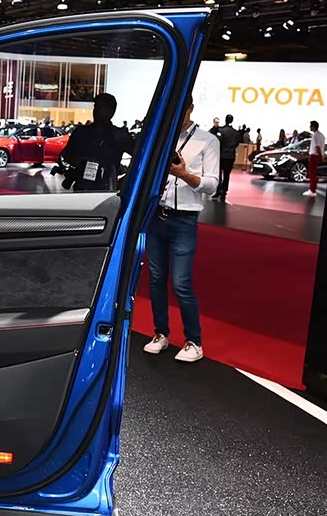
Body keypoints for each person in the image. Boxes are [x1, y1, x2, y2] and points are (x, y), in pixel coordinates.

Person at [143, 96, 220, 363]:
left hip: (185, 219)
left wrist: (184, 174)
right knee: (155, 279)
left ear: (190, 108)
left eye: (180, 108)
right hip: (157, 215)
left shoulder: (208, 140)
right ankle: (160, 333)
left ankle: (194, 342)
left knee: (181, 282)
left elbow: (212, 185)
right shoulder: (162, 138)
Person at [60, 93, 134, 192]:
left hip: (106, 191)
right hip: (81, 189)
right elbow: (65, 155)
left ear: (111, 111)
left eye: (101, 107)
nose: (96, 111)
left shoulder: (119, 136)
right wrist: (77, 161)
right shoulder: (81, 132)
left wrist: (123, 181)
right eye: (95, 107)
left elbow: (142, 160)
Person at [212, 114, 238, 201]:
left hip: (221, 156)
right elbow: (237, 143)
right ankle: (224, 192)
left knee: (218, 174)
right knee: (227, 175)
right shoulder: (235, 132)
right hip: (231, 156)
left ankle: (218, 190)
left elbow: (218, 142)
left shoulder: (221, 131)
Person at [303, 120, 326, 197]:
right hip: (318, 156)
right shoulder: (321, 135)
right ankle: (313, 189)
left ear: (313, 127)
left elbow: (317, 146)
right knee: (314, 173)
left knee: (312, 173)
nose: (309, 127)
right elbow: (322, 147)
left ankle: (312, 190)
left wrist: (320, 156)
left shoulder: (315, 135)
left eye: (310, 126)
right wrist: (322, 155)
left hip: (314, 156)